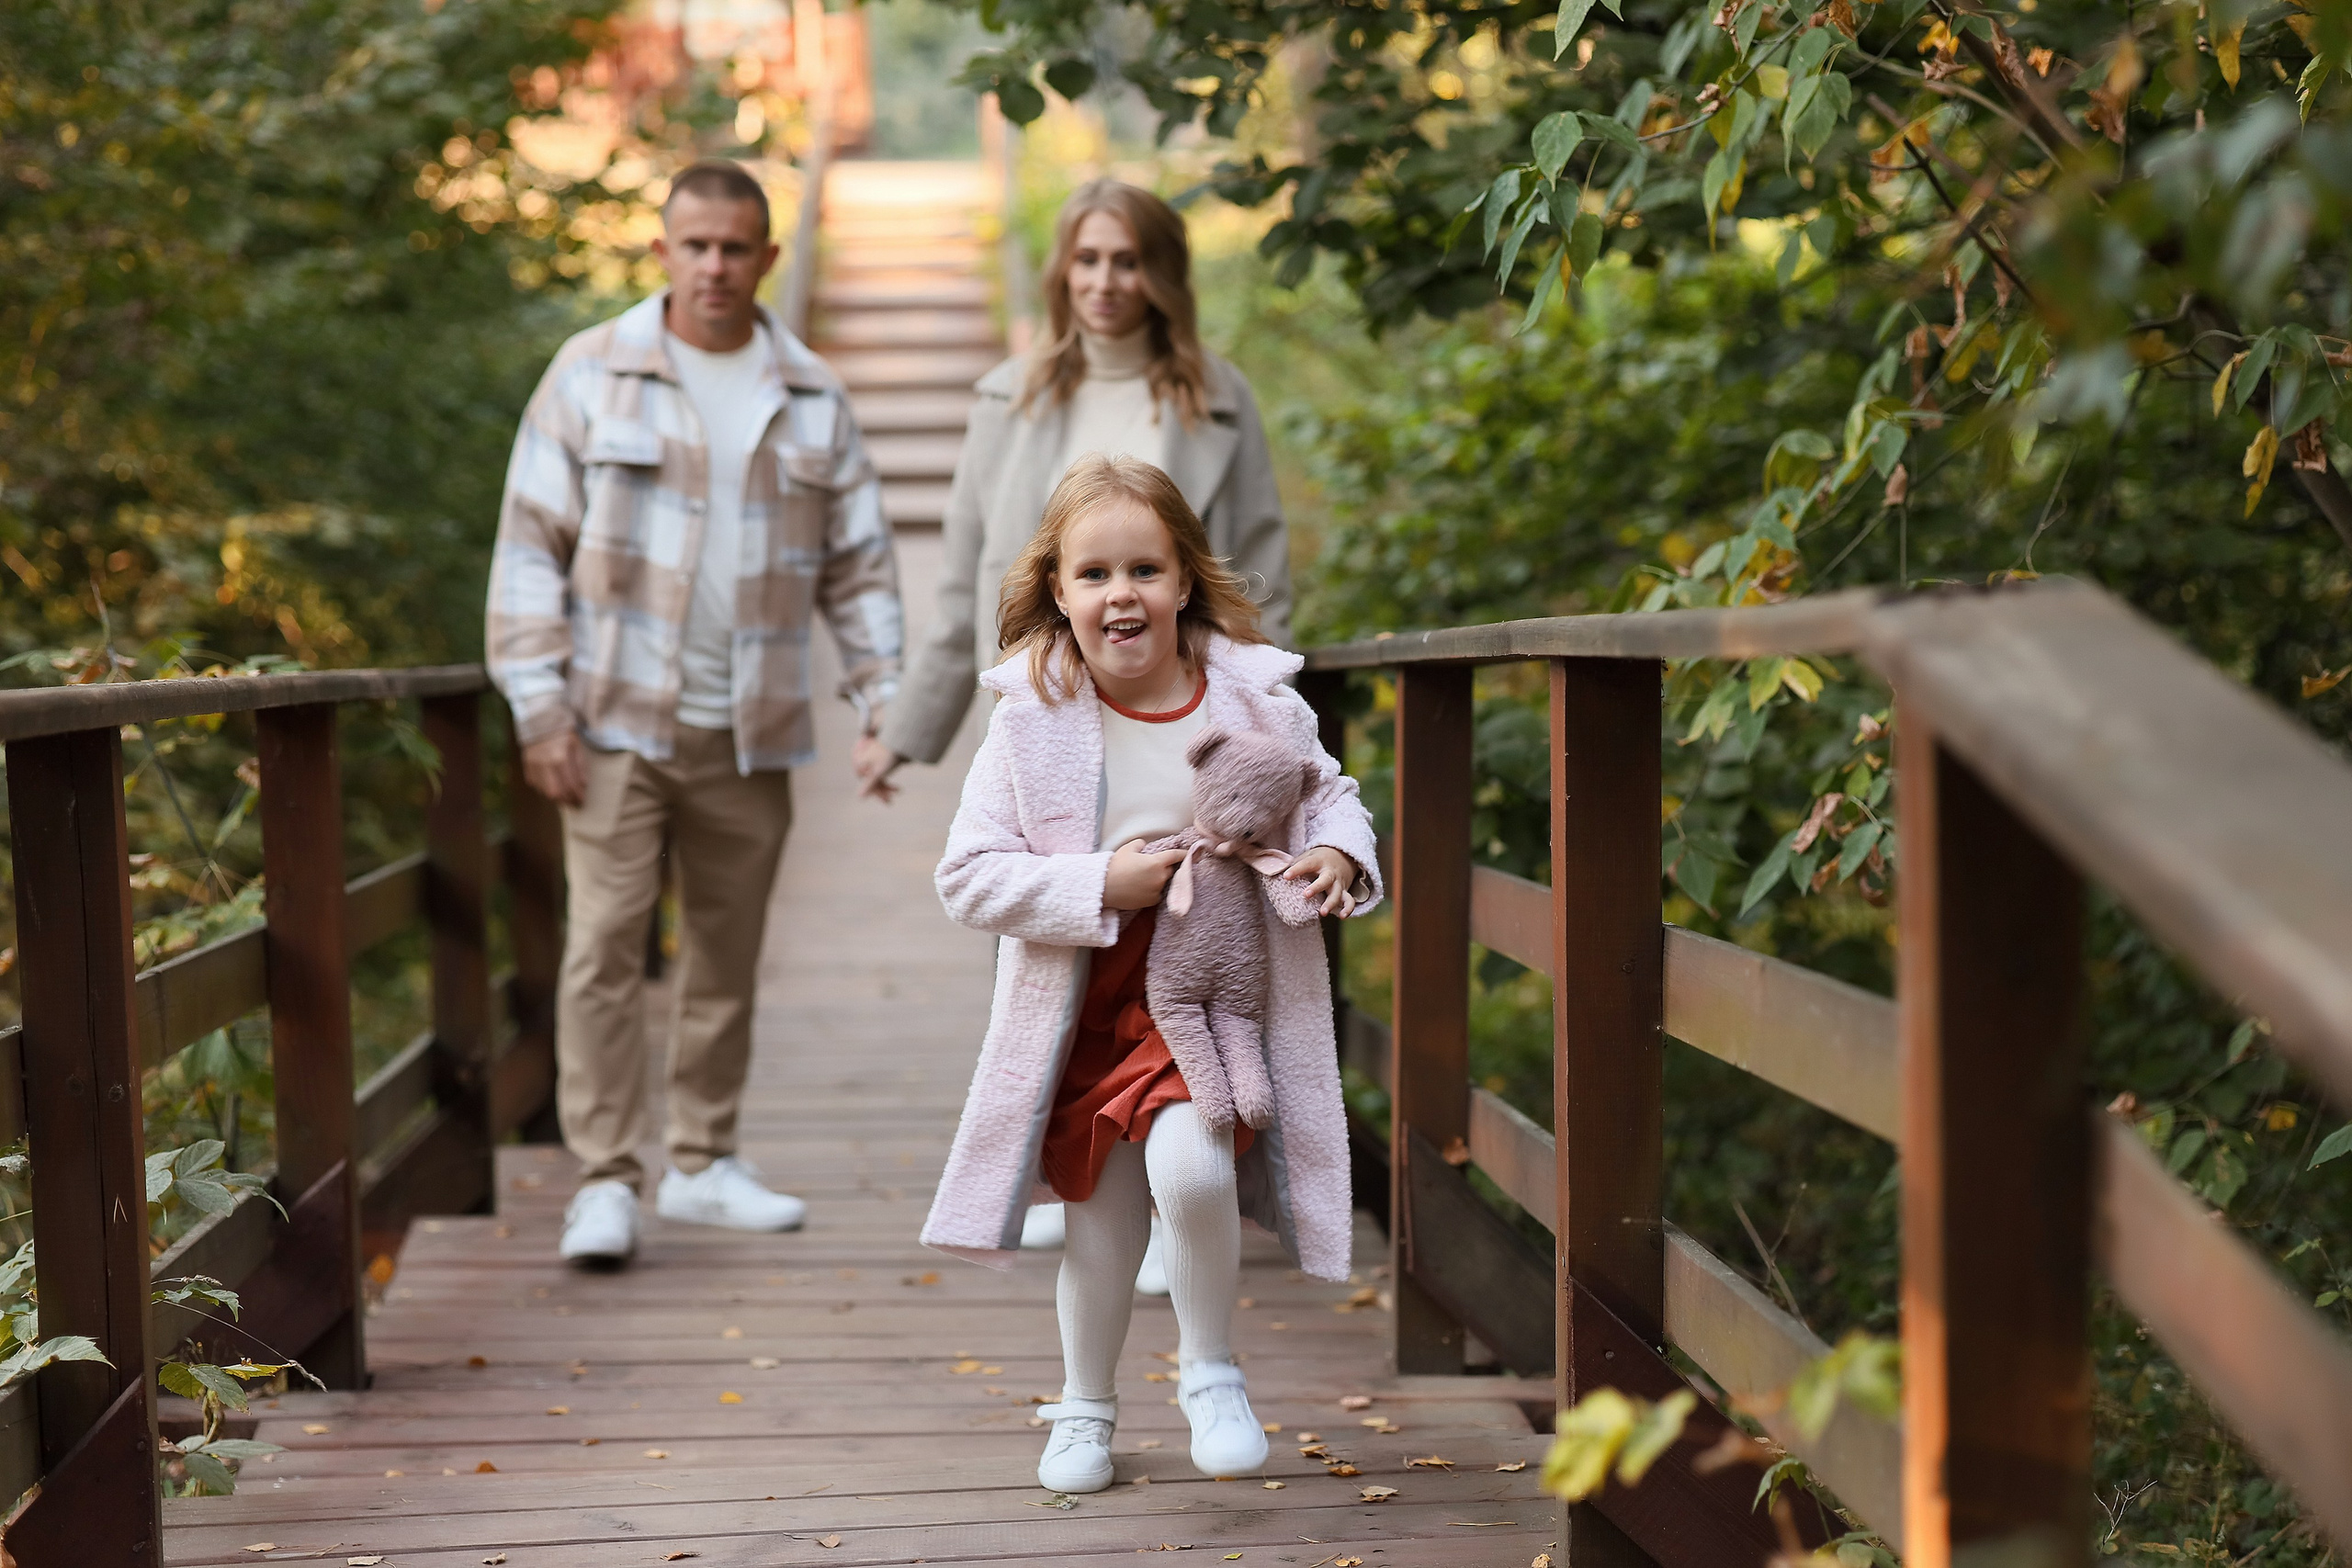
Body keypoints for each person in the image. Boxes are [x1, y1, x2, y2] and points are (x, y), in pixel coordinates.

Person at [917, 455, 1379, 1493]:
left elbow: (1330, 795)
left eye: (1143, 569)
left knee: (1192, 1167)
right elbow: (968, 878)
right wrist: (1099, 883)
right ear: (1057, 594)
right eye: (1092, 575)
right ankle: (1084, 1405)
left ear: (1182, 581)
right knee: (1103, 1217)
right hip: (1088, 998)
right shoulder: (1030, 719)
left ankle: (1210, 1370)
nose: (1119, 594)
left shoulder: (1255, 701)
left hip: (1210, 991)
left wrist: (1340, 854)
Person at [486, 160, 903, 1268]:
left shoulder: (810, 390)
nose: (714, 265)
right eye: (695, 245)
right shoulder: (591, 374)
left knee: (727, 953)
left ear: (767, 258)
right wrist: (541, 709)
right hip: (615, 722)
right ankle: (607, 1181)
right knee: (602, 951)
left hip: (751, 729)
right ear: (663, 250)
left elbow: (860, 571)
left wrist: (883, 704)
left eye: (735, 247)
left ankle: (703, 1162)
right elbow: (529, 551)